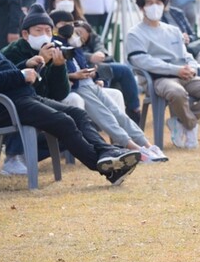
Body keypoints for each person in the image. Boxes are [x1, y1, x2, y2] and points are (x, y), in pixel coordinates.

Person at [0, 0, 141, 185]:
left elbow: (2, 72)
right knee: (64, 122)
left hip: (23, 97)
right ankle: (105, 167)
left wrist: (26, 64)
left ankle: (107, 152)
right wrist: (21, 75)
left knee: (77, 114)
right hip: (4, 106)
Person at [50, 10, 168, 163]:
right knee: (107, 117)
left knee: (118, 114)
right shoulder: (54, 45)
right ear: (54, 27)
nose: (69, 28)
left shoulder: (72, 43)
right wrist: (75, 75)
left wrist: (93, 74)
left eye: (70, 24)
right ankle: (135, 149)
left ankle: (147, 144)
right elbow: (58, 73)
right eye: (64, 24)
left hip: (89, 83)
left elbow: (84, 64)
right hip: (77, 87)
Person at [126, 0, 200, 149]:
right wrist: (175, 70)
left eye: (158, 2)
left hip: (184, 75)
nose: (154, 6)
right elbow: (143, 61)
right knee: (177, 93)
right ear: (141, 7)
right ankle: (191, 126)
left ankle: (180, 122)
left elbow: (186, 55)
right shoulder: (135, 34)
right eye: (149, 3)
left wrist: (192, 67)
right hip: (158, 79)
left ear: (164, 4)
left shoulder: (173, 31)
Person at [0, 4, 83, 176]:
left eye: (48, 31)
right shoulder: (12, 52)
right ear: (25, 34)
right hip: (13, 108)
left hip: (43, 105)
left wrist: (59, 67)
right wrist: (40, 62)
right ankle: (14, 157)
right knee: (29, 108)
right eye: (38, 30)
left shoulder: (54, 50)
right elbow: (18, 88)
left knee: (74, 126)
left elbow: (59, 94)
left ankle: (28, 155)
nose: (44, 35)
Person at [74, 21, 142, 124]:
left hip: (103, 65)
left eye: (81, 33)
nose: (79, 36)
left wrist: (100, 54)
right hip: (89, 70)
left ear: (88, 34)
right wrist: (90, 57)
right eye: (76, 32)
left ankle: (134, 109)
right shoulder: (70, 41)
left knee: (124, 70)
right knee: (107, 71)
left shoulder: (93, 38)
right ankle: (106, 113)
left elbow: (101, 48)